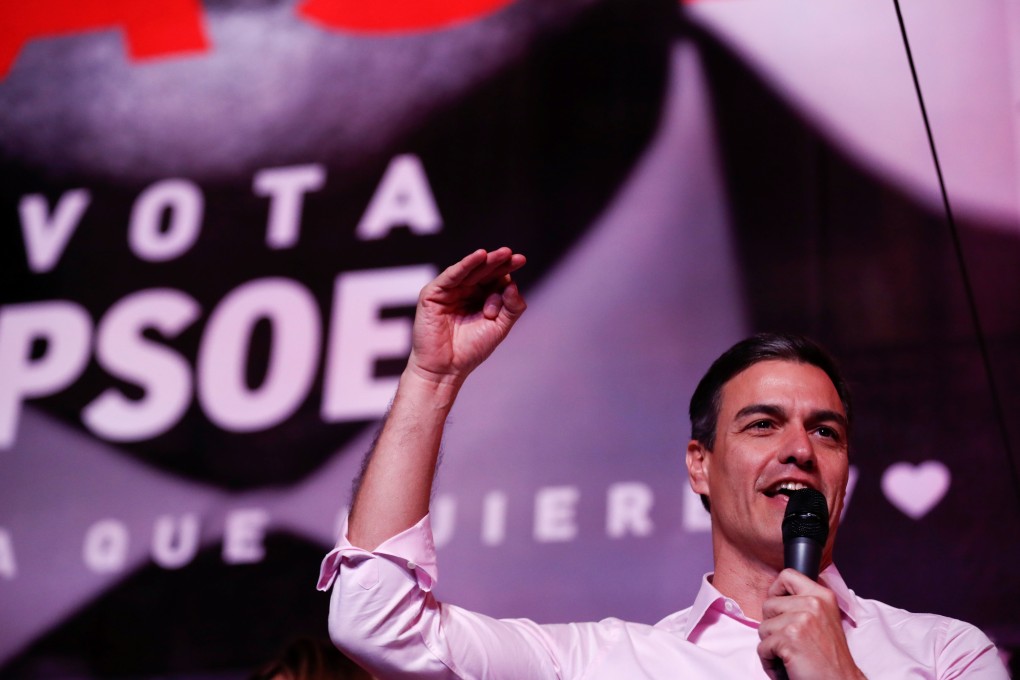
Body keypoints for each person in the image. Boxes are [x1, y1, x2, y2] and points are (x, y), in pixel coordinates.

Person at [316, 247, 1008, 678]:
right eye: (763, 424)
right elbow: (378, 624)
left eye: (825, 431)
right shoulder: (614, 664)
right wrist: (432, 378)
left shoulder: (947, 654)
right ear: (699, 465)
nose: (800, 448)